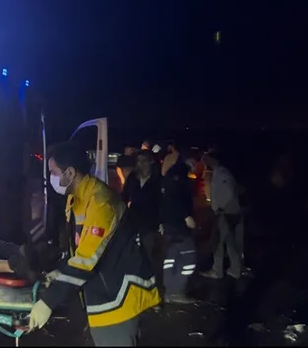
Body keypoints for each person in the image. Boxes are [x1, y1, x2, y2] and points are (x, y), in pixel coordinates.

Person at [28, 142, 161, 346]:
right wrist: (61, 271)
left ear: (70, 172)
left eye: (53, 172)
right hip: (101, 290)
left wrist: (48, 301)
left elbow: (86, 260)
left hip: (119, 296)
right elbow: (79, 247)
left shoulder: (101, 203)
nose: (51, 178)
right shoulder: (76, 199)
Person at [158, 142, 197, 303]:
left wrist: (161, 221)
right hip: (178, 225)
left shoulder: (172, 173)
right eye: (195, 161)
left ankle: (169, 292)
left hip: (169, 223)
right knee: (188, 258)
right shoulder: (179, 175)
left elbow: (164, 199)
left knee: (171, 258)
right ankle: (177, 292)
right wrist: (186, 216)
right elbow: (174, 198)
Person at [122, 151, 163, 290]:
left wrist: (161, 222)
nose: (140, 164)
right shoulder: (133, 177)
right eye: (138, 161)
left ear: (151, 162)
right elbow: (125, 196)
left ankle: (149, 285)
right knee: (133, 251)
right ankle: (134, 283)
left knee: (148, 252)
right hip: (133, 219)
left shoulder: (157, 180)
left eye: (144, 160)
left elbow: (162, 202)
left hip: (150, 221)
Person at [200, 150, 242, 280]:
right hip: (229, 212)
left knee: (218, 243)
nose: (204, 161)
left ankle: (217, 270)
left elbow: (228, 192)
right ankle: (235, 269)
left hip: (224, 213)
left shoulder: (221, 173)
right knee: (230, 242)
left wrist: (220, 208)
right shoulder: (221, 172)